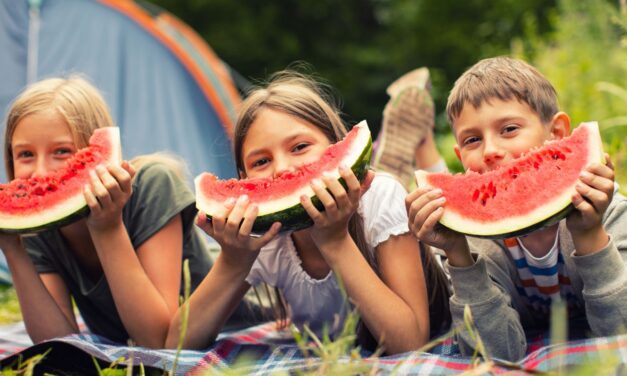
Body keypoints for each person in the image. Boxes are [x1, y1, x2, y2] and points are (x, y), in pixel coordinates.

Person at [166, 71, 451, 354]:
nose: (283, 169)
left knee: (393, 181)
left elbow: (410, 342)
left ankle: (407, 141)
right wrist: (233, 261)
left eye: (300, 147)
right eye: (261, 161)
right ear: (243, 179)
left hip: (422, 255)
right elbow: (177, 344)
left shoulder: (381, 199)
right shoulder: (263, 234)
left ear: (336, 145)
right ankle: (398, 145)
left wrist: (335, 242)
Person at [406, 56, 627, 361]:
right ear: (459, 154)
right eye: (472, 140)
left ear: (558, 133)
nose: (491, 151)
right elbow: (495, 355)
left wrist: (590, 235)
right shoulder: (473, 242)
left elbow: (621, 333)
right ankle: (412, 142)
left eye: (509, 129)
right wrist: (459, 255)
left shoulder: (610, 212)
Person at [0, 76, 217, 348]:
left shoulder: (153, 186)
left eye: (62, 151)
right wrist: (13, 249)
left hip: (249, 304)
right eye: (26, 155)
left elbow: (157, 341)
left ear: (91, 151)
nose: (41, 172)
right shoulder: (37, 222)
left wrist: (107, 228)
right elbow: (56, 344)